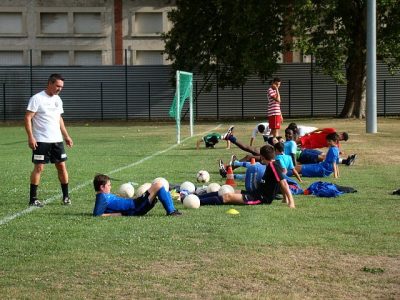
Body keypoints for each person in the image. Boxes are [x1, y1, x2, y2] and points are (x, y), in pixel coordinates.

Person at [24, 74, 73, 207]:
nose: (59, 89)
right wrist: (31, 136)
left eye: (61, 87)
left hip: (57, 140)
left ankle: (66, 197)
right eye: (57, 86)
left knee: (62, 166)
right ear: (50, 83)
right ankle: (33, 199)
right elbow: (28, 118)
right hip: (41, 140)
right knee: (39, 167)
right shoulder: (37, 98)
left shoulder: (58, 99)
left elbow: (59, 118)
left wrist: (66, 136)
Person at [201, 144, 295, 208]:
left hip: (260, 198)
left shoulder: (272, 166)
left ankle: (198, 202)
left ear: (262, 156)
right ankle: (197, 197)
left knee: (227, 197)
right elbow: (279, 180)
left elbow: (283, 183)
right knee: (226, 190)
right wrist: (284, 198)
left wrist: (291, 202)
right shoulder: (273, 164)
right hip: (255, 193)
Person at [93, 174, 182, 217]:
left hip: (136, 203)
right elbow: (97, 214)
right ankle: (171, 211)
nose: (110, 187)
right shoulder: (101, 198)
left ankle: (172, 210)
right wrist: (121, 214)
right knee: (158, 185)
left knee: (158, 186)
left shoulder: (104, 196)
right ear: (102, 187)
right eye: (109, 185)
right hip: (136, 208)